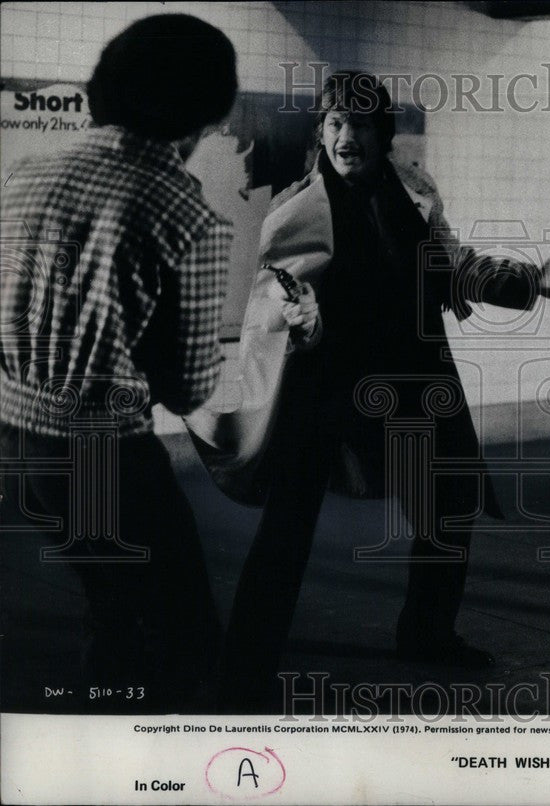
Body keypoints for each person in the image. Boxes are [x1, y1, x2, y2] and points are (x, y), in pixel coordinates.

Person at [218, 72, 550, 708]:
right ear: (320, 133)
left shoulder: (417, 193)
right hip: (327, 385)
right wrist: (298, 317)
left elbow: (456, 267)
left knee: (449, 503)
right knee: (289, 522)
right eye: (334, 123)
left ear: (382, 132)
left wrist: (534, 282)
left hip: (416, 377)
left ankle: (426, 633)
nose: (346, 136)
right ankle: (245, 658)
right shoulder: (296, 208)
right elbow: (270, 300)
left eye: (360, 124)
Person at [0, 14, 258, 710]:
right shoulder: (187, 214)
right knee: (187, 637)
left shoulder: (24, 176)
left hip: (18, 443)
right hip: (106, 453)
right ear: (206, 112)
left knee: (108, 602)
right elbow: (184, 386)